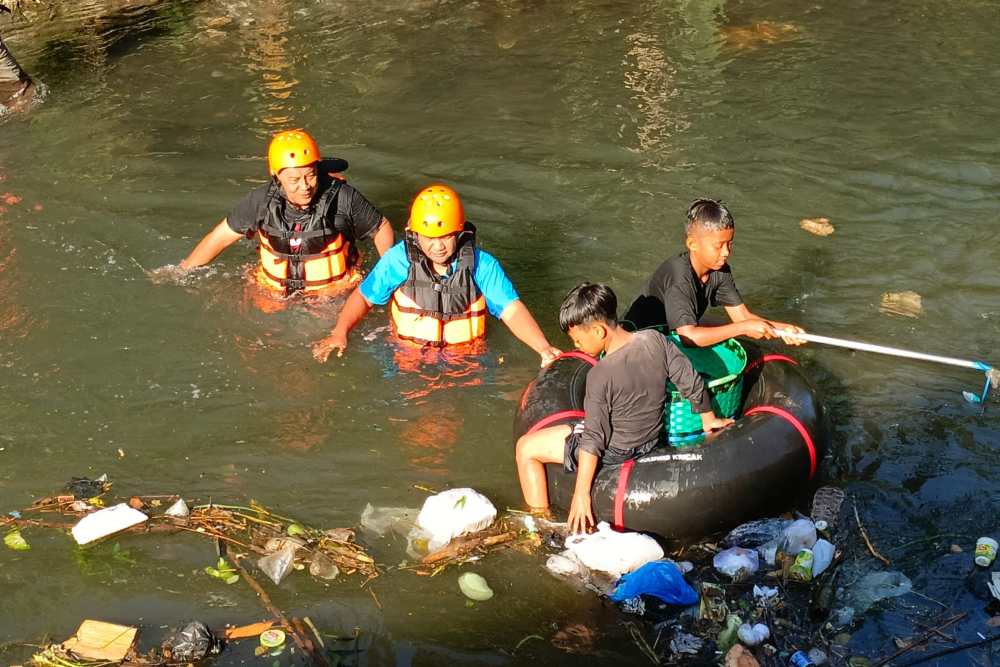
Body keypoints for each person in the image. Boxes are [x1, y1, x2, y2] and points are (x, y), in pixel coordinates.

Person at [515, 283, 733, 533]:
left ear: (598, 331)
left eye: (577, 340)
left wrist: (581, 494)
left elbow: (594, 437)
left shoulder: (601, 374)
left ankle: (538, 527)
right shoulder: (655, 340)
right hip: (648, 441)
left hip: (615, 452)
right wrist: (708, 419)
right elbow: (690, 380)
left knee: (526, 448)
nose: (577, 347)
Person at [312, 183, 561, 365]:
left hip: (466, 364)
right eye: (429, 238)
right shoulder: (399, 260)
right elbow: (364, 297)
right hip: (406, 360)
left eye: (446, 236)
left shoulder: (482, 265)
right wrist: (340, 332)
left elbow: (511, 309)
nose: (438, 246)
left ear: (460, 231)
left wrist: (544, 348)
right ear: (414, 233)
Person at [177, 129, 394, 295]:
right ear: (276, 175)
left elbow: (381, 227)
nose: (305, 186)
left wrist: (388, 277)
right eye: (294, 179)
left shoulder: (344, 198)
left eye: (310, 175)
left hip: (335, 293)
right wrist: (184, 270)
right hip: (272, 294)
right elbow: (221, 236)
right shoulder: (261, 200)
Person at [623, 198, 805, 347]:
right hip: (640, 340)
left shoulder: (720, 269)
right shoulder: (680, 277)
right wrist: (742, 329)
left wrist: (783, 329)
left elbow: (742, 317)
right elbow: (689, 337)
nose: (726, 252)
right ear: (692, 244)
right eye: (718, 246)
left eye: (730, 243)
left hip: (673, 332)